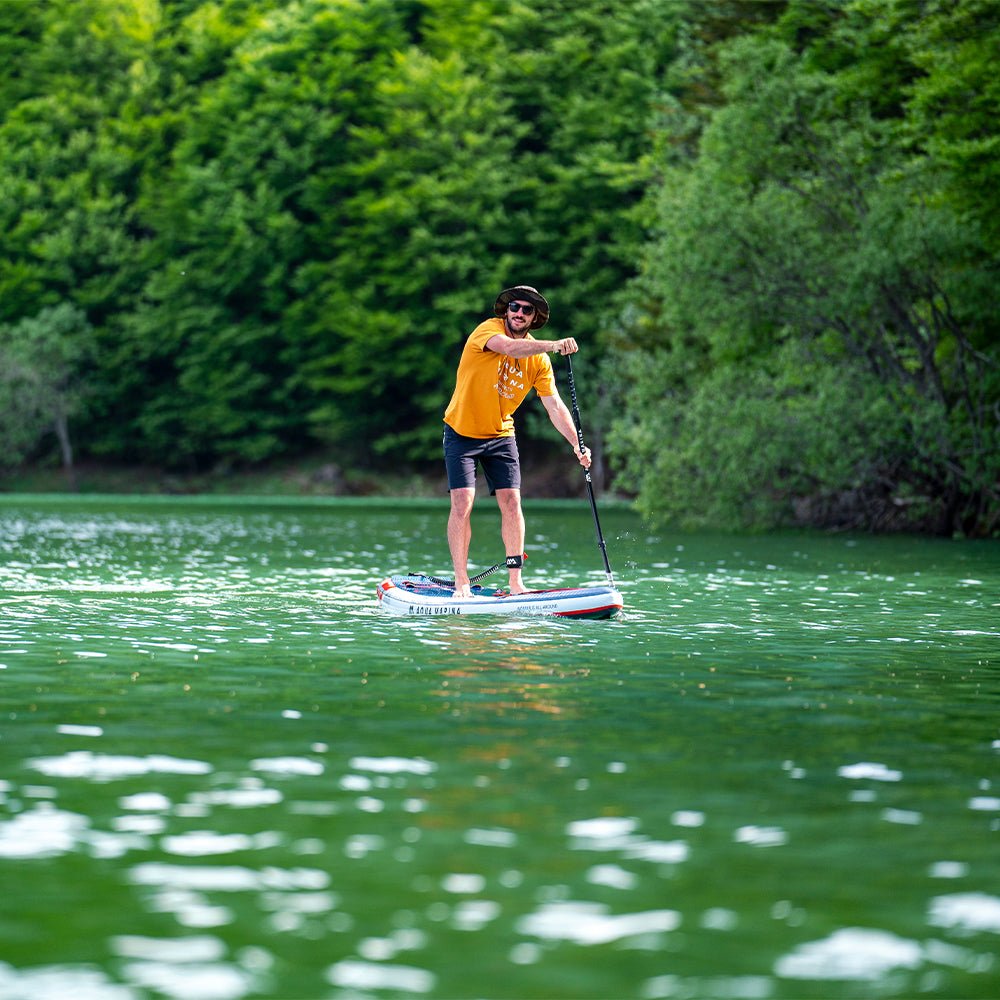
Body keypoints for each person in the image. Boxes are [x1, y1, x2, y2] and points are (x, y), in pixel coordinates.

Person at [443, 285, 591, 597]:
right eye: (514, 308)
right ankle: (461, 583)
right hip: (462, 432)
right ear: (506, 311)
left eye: (526, 310)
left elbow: (554, 406)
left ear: (534, 317)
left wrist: (577, 444)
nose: (519, 313)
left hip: (500, 435)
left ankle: (516, 583)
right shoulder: (488, 330)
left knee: (512, 502)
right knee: (463, 503)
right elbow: (509, 348)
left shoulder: (538, 360)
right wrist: (554, 345)